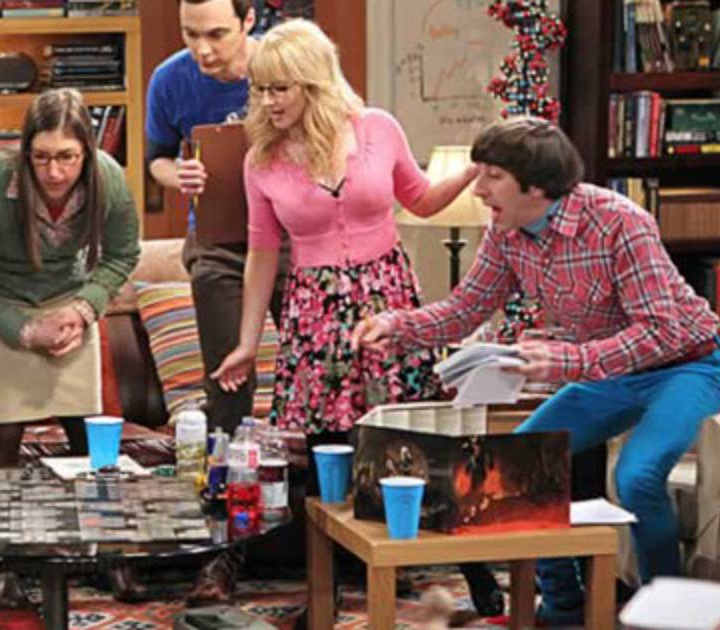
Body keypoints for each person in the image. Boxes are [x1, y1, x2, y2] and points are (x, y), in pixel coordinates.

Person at [352, 117, 720, 625]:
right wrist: (395, 325)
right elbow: (467, 308)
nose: (478, 188)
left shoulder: (620, 222)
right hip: (611, 372)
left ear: (536, 186)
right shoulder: (506, 231)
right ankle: (564, 606)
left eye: (492, 176)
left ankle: (667, 614)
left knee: (638, 475)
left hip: (687, 365)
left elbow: (660, 331)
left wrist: (565, 360)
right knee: (518, 466)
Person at [206, 17, 504, 617]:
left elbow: (420, 199)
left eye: (280, 88)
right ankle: (326, 595)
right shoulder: (261, 159)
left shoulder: (377, 129)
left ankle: (478, 576)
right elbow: (262, 251)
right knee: (330, 459)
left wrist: (474, 171)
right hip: (316, 316)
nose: (268, 101)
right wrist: (246, 343)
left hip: (389, 299)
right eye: (261, 89)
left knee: (422, 439)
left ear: (314, 82)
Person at [0, 87, 140, 609]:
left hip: (64, 302)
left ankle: (111, 553)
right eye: (42, 157)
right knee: (4, 430)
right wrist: (25, 331)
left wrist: (83, 309)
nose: (54, 172)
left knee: (89, 432)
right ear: (25, 150)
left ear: (88, 152)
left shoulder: (108, 180)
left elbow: (122, 255)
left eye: (68, 157)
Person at [145, 0, 287, 605]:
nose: (203, 49)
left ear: (250, 21)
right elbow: (156, 158)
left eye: (217, 34)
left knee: (323, 384)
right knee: (227, 390)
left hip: (297, 238)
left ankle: (340, 548)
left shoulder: (286, 64)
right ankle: (219, 556)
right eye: (191, 34)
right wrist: (176, 176)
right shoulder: (170, 79)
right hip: (221, 243)